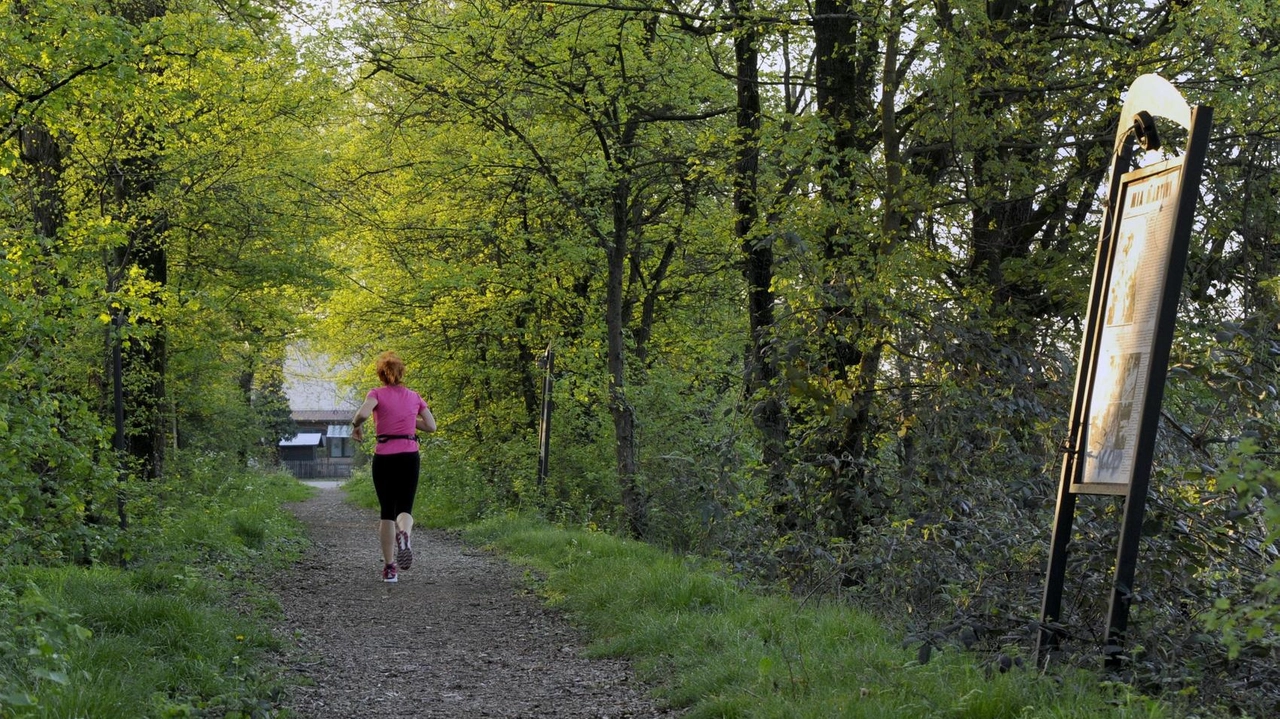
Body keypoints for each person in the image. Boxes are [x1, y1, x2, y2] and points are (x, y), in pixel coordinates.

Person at [351, 351, 436, 583]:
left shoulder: (376, 393)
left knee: (387, 511)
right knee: (405, 507)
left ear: (380, 375)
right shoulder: (414, 396)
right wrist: (409, 420)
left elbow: (363, 413)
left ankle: (390, 568)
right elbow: (431, 426)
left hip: (385, 455)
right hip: (409, 455)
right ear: (402, 373)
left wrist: (355, 425)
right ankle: (405, 535)